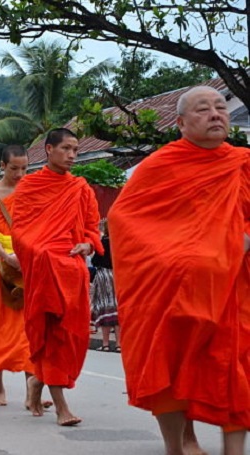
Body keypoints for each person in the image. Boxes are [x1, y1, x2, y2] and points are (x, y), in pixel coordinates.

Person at [108, 86, 250, 455]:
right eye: (204, 109)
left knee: (236, 363)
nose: (216, 114)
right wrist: (173, 258)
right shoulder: (161, 165)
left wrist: (239, 239)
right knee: (168, 363)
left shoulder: (242, 162)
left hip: (234, 286)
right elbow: (125, 219)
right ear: (182, 123)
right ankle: (176, 446)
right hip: (170, 291)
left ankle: (234, 450)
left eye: (221, 107)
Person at [11, 128, 103, 426]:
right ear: (49, 149)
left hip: (74, 271)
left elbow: (93, 228)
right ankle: (62, 406)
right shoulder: (29, 187)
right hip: (46, 271)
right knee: (52, 335)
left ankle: (38, 380)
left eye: (76, 149)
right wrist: (44, 253)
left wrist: (89, 243)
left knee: (72, 335)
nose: (73, 155)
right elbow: (20, 231)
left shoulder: (81, 188)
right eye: (66, 148)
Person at [0, 144, 41, 406]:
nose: (20, 174)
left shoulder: (32, 189)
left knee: (29, 328)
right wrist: (6, 256)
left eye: (25, 168)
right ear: (2, 165)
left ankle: (30, 390)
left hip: (27, 262)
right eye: (14, 168)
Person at [90, 220, 120, 352]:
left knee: (104, 308)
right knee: (117, 309)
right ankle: (119, 344)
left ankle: (106, 343)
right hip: (117, 275)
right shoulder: (119, 243)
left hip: (104, 275)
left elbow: (95, 260)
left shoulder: (104, 242)